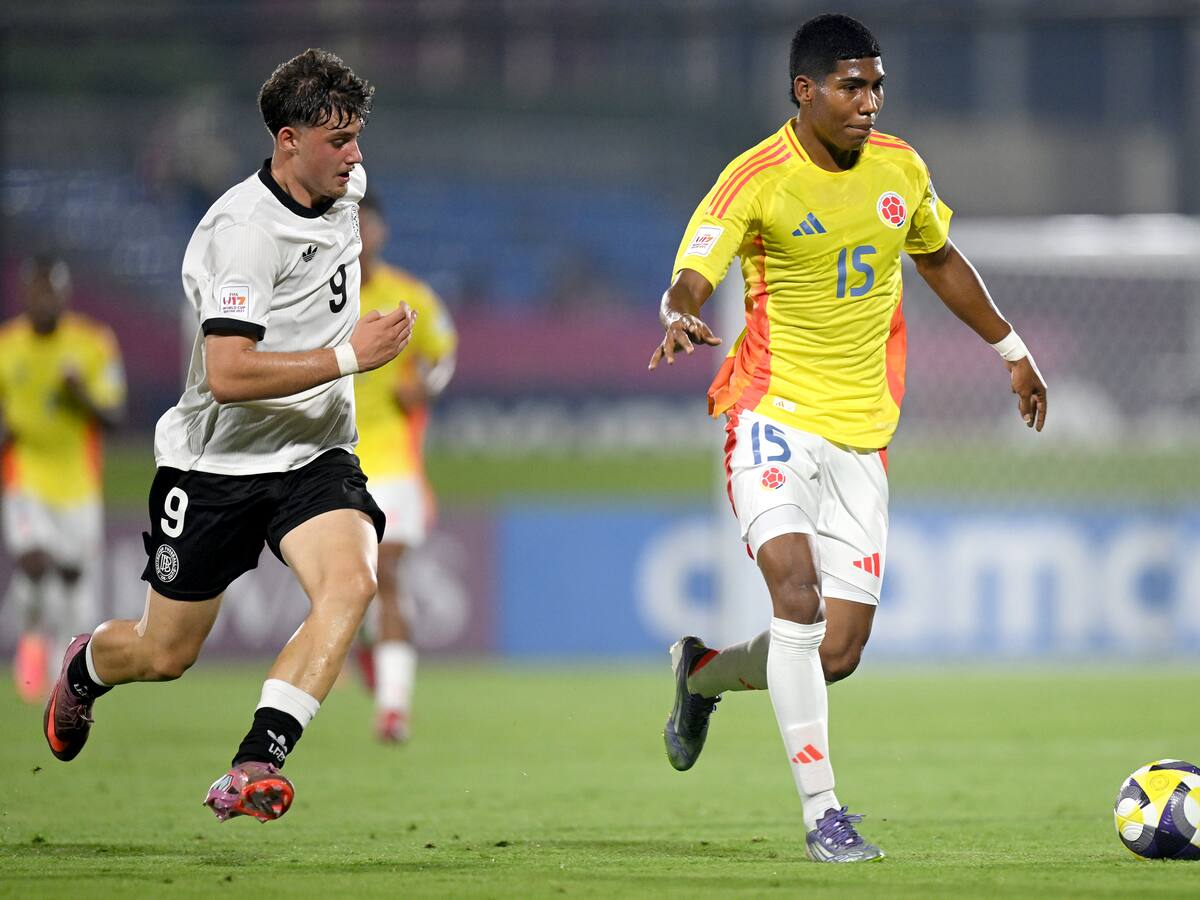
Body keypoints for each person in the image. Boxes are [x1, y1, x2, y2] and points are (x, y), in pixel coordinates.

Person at [649, 14, 1047, 863]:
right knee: (794, 598)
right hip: (771, 418)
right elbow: (696, 269)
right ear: (805, 91)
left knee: (836, 652)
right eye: (851, 87)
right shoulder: (754, 178)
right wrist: (680, 311)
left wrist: (1011, 351)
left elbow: (939, 259)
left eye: (875, 86)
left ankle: (701, 675)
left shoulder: (901, 168)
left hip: (863, 437)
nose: (868, 102)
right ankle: (825, 814)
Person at [42, 48, 416, 824]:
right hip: (216, 463)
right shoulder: (243, 234)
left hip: (314, 456)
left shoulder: (346, 191)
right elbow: (228, 373)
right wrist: (352, 355)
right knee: (164, 653)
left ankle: (256, 762)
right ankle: (83, 669)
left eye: (357, 137)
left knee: (352, 583)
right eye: (337, 141)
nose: (356, 156)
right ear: (287, 141)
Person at [352, 192, 457, 743]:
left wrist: (427, 386)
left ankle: (393, 708)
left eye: (367, 223)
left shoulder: (409, 296)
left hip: (393, 460)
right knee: (348, 586)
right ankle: (366, 645)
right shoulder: (312, 295)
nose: (361, 232)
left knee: (385, 570)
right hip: (328, 461)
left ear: (382, 231)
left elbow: (444, 354)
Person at [0, 256, 126, 702]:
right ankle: (31, 636)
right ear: (25, 293)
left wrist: (81, 397)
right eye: (35, 291)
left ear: (63, 294)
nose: (42, 300)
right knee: (34, 561)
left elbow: (115, 416)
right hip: (25, 476)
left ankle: (59, 676)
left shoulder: (92, 344)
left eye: (50, 291)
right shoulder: (7, 346)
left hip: (78, 484)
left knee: (72, 578)